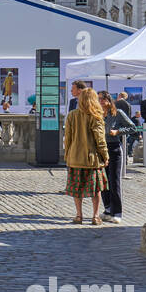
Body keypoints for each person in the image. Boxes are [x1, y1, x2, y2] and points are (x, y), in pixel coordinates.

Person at [63, 86, 108, 224]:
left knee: (77, 189)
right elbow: (100, 139)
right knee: (96, 189)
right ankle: (95, 216)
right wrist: (105, 155)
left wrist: (67, 155)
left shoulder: (72, 115)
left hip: (75, 157)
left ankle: (79, 215)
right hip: (91, 159)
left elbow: (68, 138)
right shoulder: (96, 116)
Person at [100, 91, 134, 224]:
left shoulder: (118, 113)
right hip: (102, 150)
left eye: (103, 99)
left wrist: (118, 131)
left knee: (114, 181)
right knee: (103, 181)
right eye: (99, 99)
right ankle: (108, 209)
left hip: (114, 148)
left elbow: (132, 128)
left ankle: (117, 211)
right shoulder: (98, 114)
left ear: (109, 100)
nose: (101, 102)